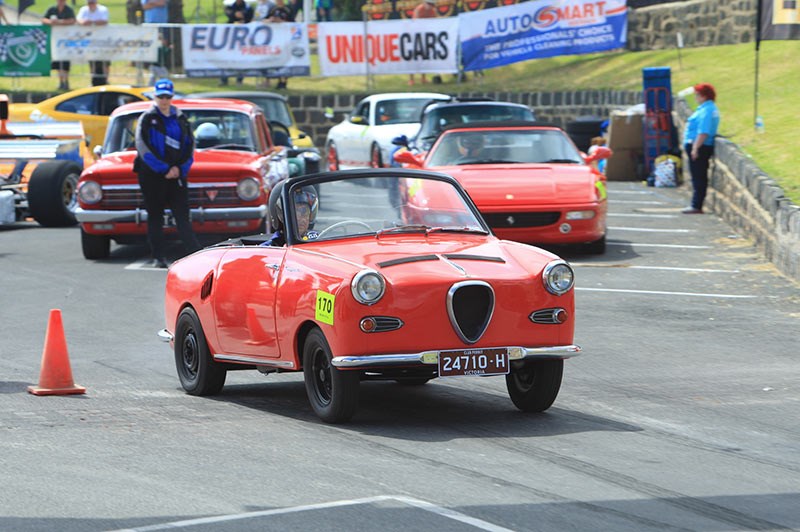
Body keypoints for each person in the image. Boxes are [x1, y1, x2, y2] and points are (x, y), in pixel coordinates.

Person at [134, 79, 201, 268]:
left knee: (182, 215)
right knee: (155, 216)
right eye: (161, 96)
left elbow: (190, 146)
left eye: (167, 96)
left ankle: (194, 254)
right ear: (155, 96)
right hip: (152, 176)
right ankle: (158, 256)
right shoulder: (147, 118)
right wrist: (164, 169)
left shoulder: (180, 119)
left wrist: (180, 169)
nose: (164, 100)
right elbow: (142, 148)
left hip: (177, 175)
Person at [682, 83, 720, 214]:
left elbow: (703, 131)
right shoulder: (707, 109)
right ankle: (696, 204)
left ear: (704, 96)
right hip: (699, 145)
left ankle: (696, 205)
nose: (696, 98)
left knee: (698, 176)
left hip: (700, 146)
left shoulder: (707, 110)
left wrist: (695, 148)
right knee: (698, 176)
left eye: (697, 95)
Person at [42, 0, 77, 91]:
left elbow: (73, 20)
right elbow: (43, 19)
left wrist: (60, 22)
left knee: (65, 62)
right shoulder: (52, 9)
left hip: (66, 40)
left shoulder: (68, 10)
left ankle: (66, 81)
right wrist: (51, 22)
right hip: (55, 40)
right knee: (57, 62)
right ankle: (61, 82)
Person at [76, 0, 110, 86]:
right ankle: (93, 80)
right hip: (90, 40)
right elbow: (79, 20)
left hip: (103, 40)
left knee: (105, 61)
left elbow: (104, 21)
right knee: (92, 61)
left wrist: (92, 22)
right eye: (89, 3)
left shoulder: (103, 9)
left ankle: (106, 80)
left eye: (92, 2)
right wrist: (84, 22)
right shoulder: (83, 10)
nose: (91, 4)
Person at [220, 0, 254, 86]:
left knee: (241, 59)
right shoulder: (231, 6)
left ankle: (239, 80)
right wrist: (234, 14)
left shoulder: (248, 7)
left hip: (243, 37)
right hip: (231, 38)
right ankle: (224, 79)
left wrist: (244, 19)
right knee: (226, 59)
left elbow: (250, 18)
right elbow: (228, 13)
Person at [267, 0, 294, 89]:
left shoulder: (288, 9)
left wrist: (281, 21)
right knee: (277, 59)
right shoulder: (273, 9)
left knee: (285, 59)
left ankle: (285, 81)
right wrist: (270, 20)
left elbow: (293, 22)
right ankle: (279, 80)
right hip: (275, 38)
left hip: (285, 37)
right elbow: (266, 19)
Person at [409, 0, 436, 86]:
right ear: (425, 3)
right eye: (429, 4)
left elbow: (435, 22)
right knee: (414, 58)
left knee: (424, 57)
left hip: (425, 37)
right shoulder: (419, 10)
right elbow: (415, 23)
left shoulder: (432, 11)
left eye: (432, 4)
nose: (431, 6)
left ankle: (423, 78)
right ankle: (411, 79)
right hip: (416, 36)